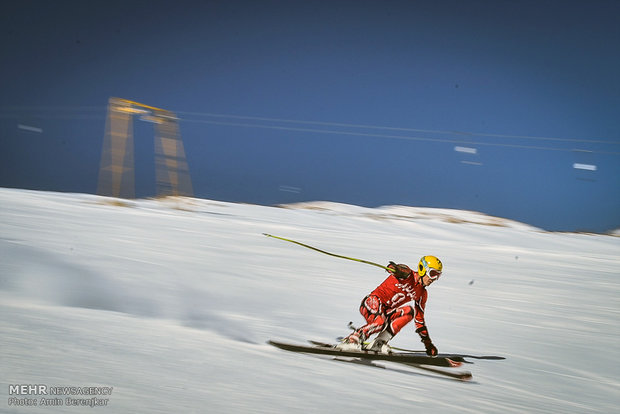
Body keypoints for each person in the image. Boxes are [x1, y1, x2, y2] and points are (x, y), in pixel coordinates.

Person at [337, 255, 443, 356]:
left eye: (438, 276)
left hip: (385, 312)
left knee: (409, 312)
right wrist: (395, 269)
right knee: (380, 322)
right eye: (433, 274)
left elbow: (419, 320)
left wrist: (428, 344)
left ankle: (379, 343)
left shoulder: (422, 293)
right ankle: (353, 339)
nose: (434, 279)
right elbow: (396, 268)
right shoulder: (408, 274)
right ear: (422, 269)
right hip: (371, 303)